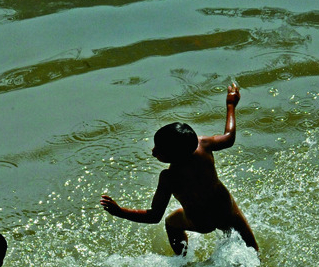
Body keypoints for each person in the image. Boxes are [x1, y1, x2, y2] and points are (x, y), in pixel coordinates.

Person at [100, 82, 258, 255]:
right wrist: (231, 104)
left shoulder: (169, 177)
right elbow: (229, 137)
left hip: (201, 222)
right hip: (225, 209)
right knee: (251, 248)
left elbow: (154, 216)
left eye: (159, 150)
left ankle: (182, 261)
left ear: (175, 155)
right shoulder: (203, 145)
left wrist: (120, 211)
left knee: (170, 222)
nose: (153, 152)